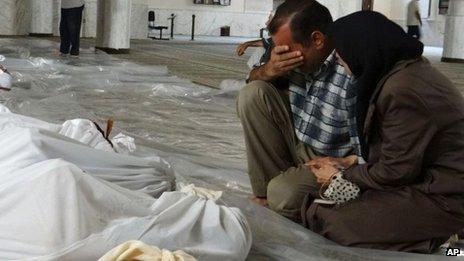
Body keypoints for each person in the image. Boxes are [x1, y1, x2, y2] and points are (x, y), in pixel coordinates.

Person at [304, 11, 464, 253]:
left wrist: (343, 177)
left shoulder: (403, 89)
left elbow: (395, 171)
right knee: (323, 207)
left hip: (446, 195)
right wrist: (347, 165)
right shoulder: (401, 73)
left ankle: (445, 242)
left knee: (333, 222)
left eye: (341, 49)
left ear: (361, 47)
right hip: (428, 182)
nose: (336, 57)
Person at [236, 0, 360, 222]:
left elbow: (371, 156)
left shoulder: (350, 71)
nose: (283, 55)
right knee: (253, 93)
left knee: (283, 195)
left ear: (317, 39)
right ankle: (266, 193)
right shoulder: (290, 59)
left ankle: (283, 196)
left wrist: (343, 164)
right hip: (300, 141)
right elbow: (252, 80)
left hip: (330, 162)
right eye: (278, 49)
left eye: (288, 50)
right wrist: (269, 69)